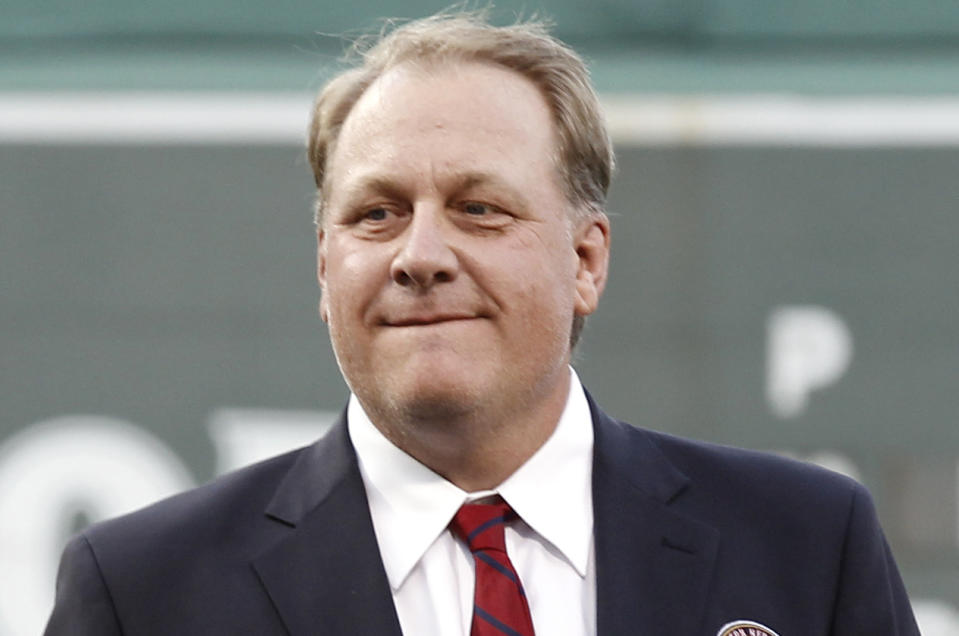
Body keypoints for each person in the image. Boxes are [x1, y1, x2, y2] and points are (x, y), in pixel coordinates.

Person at [45, 11, 919, 636]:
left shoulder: (804, 546)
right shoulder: (143, 593)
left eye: (479, 209)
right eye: (377, 214)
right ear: (324, 268)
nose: (419, 254)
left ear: (585, 260)